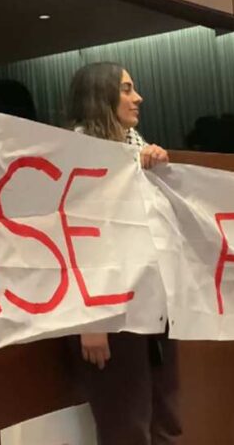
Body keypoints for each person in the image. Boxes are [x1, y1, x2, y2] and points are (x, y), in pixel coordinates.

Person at [66, 62, 179, 445]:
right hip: (111, 312)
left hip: (150, 305)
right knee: (125, 425)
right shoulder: (75, 157)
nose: (138, 98)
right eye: (127, 89)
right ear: (102, 96)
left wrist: (159, 173)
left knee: (162, 417)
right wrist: (90, 317)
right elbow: (77, 239)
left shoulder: (136, 150)